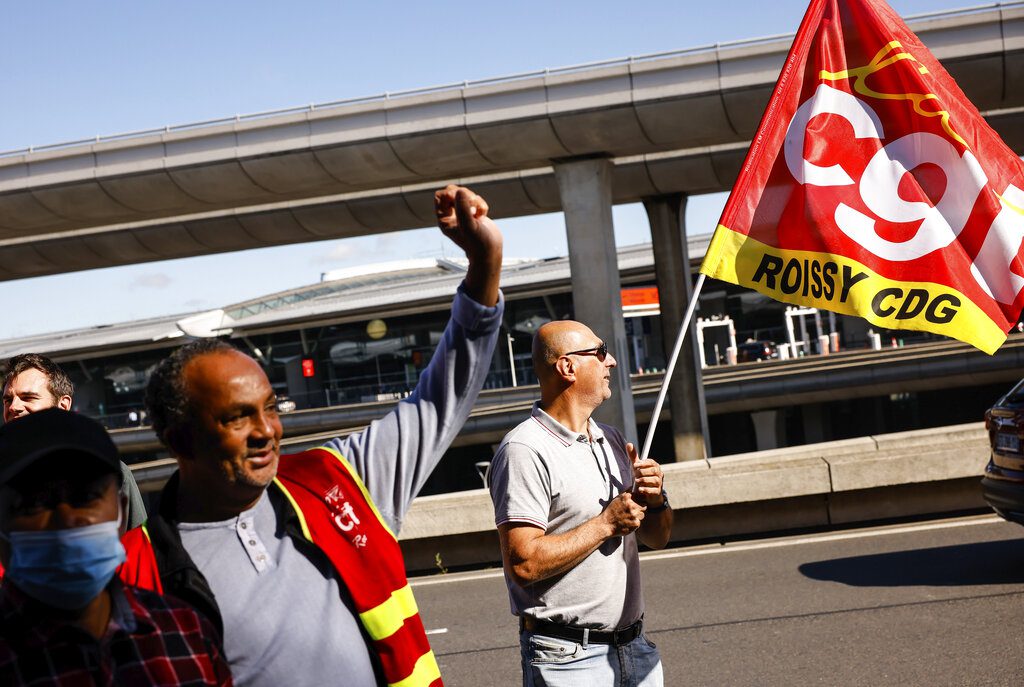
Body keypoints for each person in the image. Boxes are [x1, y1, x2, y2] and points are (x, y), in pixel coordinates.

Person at [120, 185, 504, 687]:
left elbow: (439, 399)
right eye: (237, 418)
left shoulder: (336, 481)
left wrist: (484, 261)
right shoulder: (132, 576)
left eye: (270, 408)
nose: (266, 432)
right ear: (180, 442)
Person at [488, 320, 673, 687]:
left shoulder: (611, 439)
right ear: (567, 367)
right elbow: (523, 564)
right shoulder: (524, 450)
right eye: (600, 352)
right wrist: (605, 523)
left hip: (634, 646)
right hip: (569, 660)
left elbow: (658, 538)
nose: (612, 362)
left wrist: (655, 501)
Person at [0, 408, 233, 686]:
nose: (67, 519)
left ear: (121, 512)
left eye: (86, 496)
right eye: (34, 503)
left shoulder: (188, 631)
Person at [2, 353, 147, 530]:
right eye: (7, 399)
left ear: (63, 405)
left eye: (28, 397)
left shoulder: (108, 472)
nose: (13, 407)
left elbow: (139, 547)